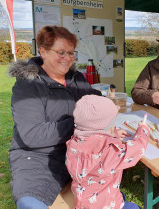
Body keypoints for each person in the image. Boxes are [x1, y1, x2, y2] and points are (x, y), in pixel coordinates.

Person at [8, 26, 102, 209]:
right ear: (42, 51)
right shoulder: (28, 87)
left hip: (77, 150)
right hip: (37, 158)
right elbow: (33, 135)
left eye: (71, 53)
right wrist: (80, 123)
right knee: (31, 203)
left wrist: (105, 103)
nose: (67, 58)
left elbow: (92, 97)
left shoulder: (76, 78)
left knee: (106, 196)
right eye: (61, 52)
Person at [66, 94, 150, 209]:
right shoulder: (108, 152)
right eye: (112, 123)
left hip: (83, 202)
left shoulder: (73, 143)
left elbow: (95, 137)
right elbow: (135, 151)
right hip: (105, 204)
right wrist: (143, 131)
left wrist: (113, 133)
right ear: (105, 127)